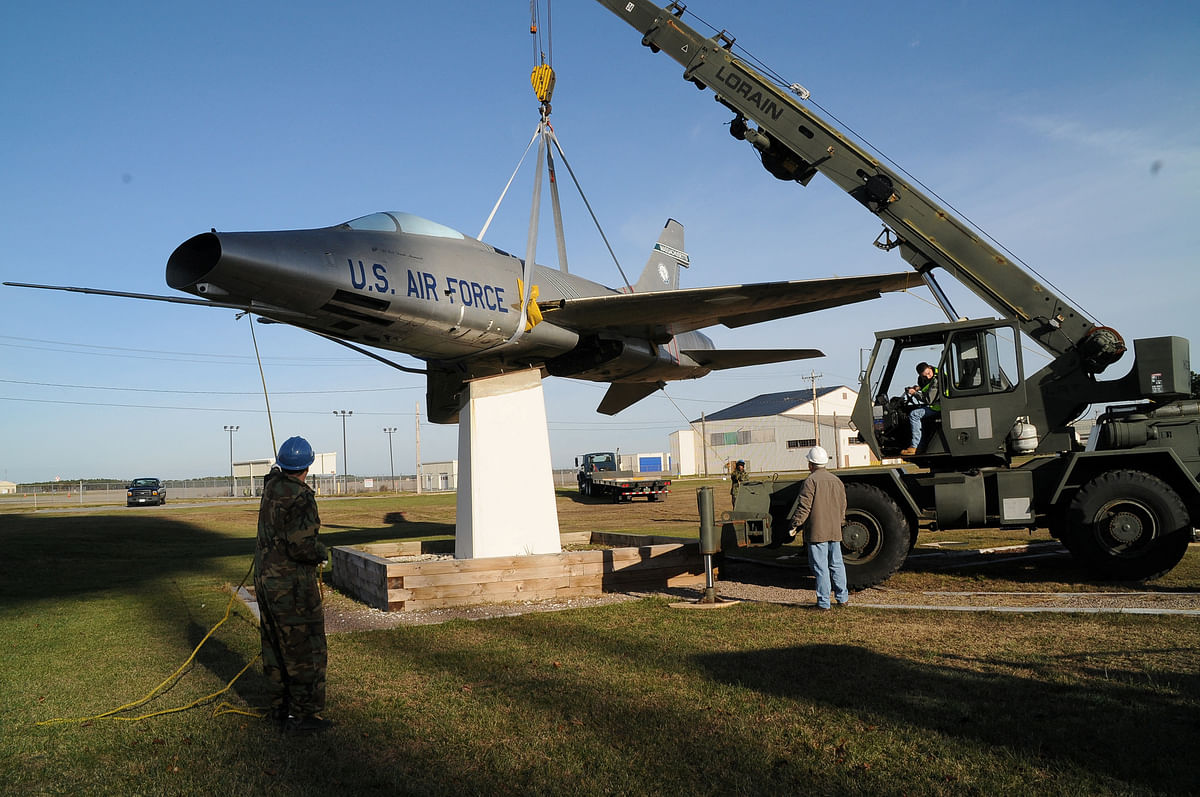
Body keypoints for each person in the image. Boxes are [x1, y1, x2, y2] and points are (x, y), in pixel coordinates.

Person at [254, 435, 332, 733]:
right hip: (291, 586)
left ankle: (280, 708)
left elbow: (273, 474)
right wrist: (320, 552)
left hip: (265, 582)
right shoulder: (300, 497)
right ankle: (303, 716)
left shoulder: (271, 487)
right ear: (307, 467)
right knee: (305, 648)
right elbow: (301, 547)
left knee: (275, 645)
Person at [788, 446, 849, 610]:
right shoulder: (837, 481)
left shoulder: (811, 481)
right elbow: (843, 506)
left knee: (820, 568)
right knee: (837, 564)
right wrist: (840, 523)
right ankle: (843, 598)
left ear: (811, 464)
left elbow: (804, 507)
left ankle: (823, 603)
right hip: (835, 530)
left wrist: (795, 524)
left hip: (817, 531)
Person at [902, 362, 941, 455]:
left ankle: (915, 446)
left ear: (930, 367)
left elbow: (928, 399)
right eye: (924, 376)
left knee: (914, 414)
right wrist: (918, 388)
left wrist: (914, 393)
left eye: (928, 373)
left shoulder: (936, 379)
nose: (927, 377)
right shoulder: (935, 375)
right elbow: (929, 388)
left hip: (938, 407)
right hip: (937, 405)